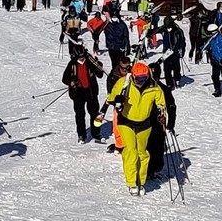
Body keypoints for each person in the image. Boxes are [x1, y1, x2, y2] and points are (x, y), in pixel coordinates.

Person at [108, 58, 170, 194]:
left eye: (144, 78)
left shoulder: (154, 87)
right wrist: (117, 99)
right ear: (133, 76)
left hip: (144, 124)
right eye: (138, 79)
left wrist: (162, 115)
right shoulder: (124, 83)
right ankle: (131, 183)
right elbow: (111, 97)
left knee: (142, 153)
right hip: (126, 122)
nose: (141, 82)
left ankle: (141, 181)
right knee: (131, 151)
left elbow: (161, 103)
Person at [63, 42, 104, 143]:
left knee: (95, 114)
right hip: (78, 93)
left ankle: (96, 133)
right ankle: (81, 135)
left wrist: (99, 66)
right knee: (80, 115)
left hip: (91, 91)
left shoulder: (90, 61)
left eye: (83, 56)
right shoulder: (72, 64)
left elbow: (100, 75)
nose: (82, 58)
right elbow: (65, 78)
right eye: (79, 57)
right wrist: (71, 82)